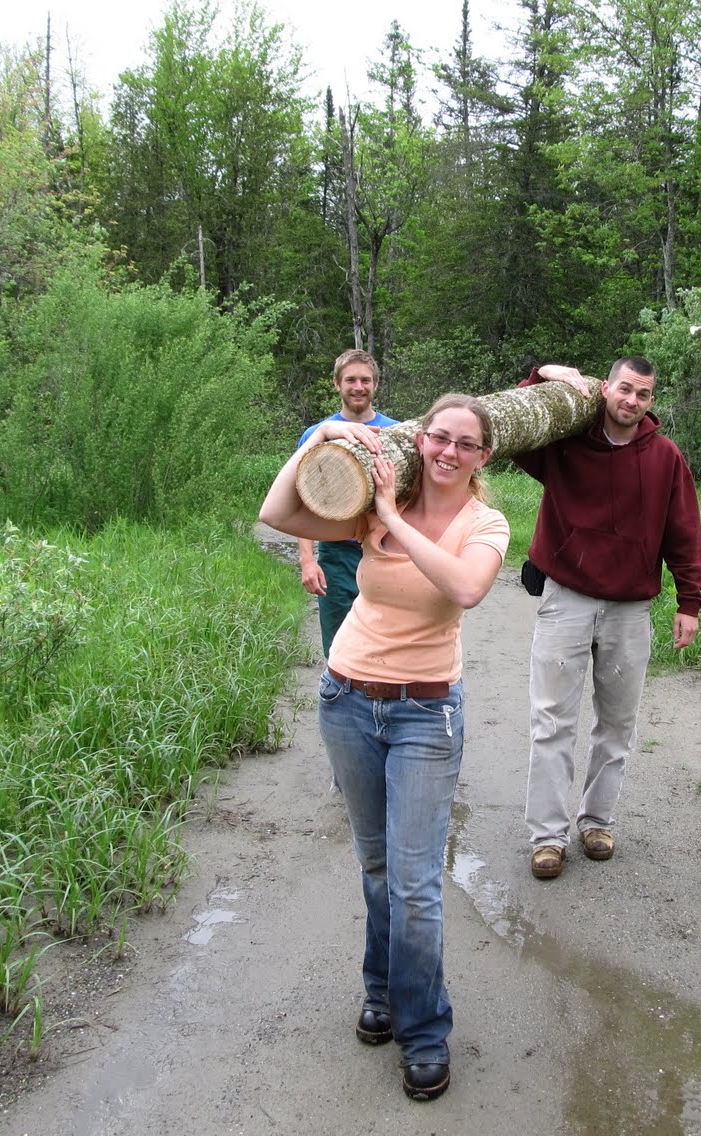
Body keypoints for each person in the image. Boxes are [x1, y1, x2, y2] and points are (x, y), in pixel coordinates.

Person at [259, 393, 509, 1102]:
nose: (448, 453)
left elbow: (464, 588)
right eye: (439, 438)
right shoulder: (367, 505)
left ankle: (425, 1030)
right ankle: (383, 992)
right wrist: (322, 439)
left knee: (414, 883)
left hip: (425, 715)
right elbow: (278, 514)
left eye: (465, 444)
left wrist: (396, 517)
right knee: (376, 866)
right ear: (419, 440)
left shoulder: (483, 522)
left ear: (482, 456)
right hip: (346, 702)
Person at [511, 357, 701, 881]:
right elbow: (512, 426)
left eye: (643, 394)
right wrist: (543, 374)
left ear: (650, 402)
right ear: (606, 388)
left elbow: (684, 531)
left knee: (617, 724)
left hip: (629, 607)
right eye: (625, 389)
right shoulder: (567, 443)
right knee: (552, 720)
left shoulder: (665, 457)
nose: (632, 401)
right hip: (566, 597)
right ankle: (547, 837)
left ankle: (597, 821)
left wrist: (690, 602)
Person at [296, 350, 400, 657]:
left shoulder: (396, 430)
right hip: (336, 553)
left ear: (376, 385)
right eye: (351, 380)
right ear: (336, 384)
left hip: (385, 548)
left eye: (365, 380)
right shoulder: (317, 434)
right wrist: (307, 560)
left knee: (387, 643)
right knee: (339, 645)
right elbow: (303, 503)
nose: (358, 387)